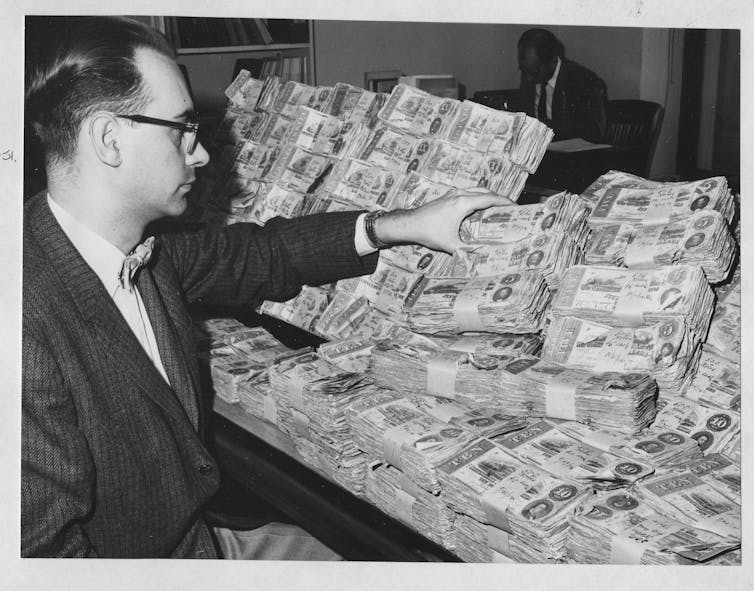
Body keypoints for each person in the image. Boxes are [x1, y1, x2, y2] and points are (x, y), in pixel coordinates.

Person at [22, 16, 514, 559]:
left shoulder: (138, 246)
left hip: (195, 536)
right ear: (109, 138)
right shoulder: (24, 323)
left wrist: (399, 224)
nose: (201, 152)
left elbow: (261, 254)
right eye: (182, 128)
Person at [516, 28, 608, 143]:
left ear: (553, 61)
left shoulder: (584, 82)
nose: (528, 78)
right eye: (523, 71)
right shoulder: (530, 74)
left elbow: (595, 131)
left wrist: (547, 129)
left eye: (534, 73)